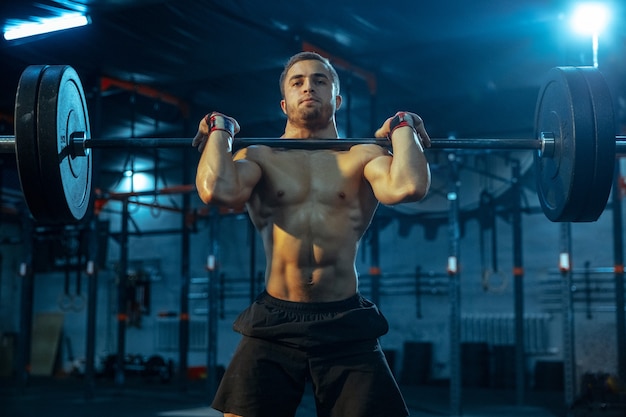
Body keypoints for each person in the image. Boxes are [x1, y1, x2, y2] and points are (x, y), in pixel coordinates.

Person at [193, 51, 431, 417]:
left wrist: (402, 126)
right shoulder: (259, 155)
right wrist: (220, 128)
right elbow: (216, 191)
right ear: (284, 102)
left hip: (345, 323)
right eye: (298, 82)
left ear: (336, 99)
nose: (309, 87)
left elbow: (409, 186)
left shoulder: (364, 155)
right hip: (274, 320)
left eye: (320, 81)